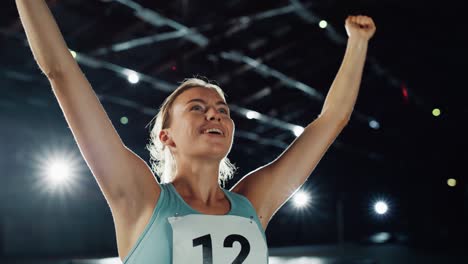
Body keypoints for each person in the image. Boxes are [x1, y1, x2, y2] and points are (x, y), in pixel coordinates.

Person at [15, 0, 376, 263]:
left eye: (222, 110)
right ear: (166, 136)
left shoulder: (252, 203)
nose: (214, 116)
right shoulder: (140, 198)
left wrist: (357, 44)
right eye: (197, 108)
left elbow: (331, 120)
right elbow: (61, 70)